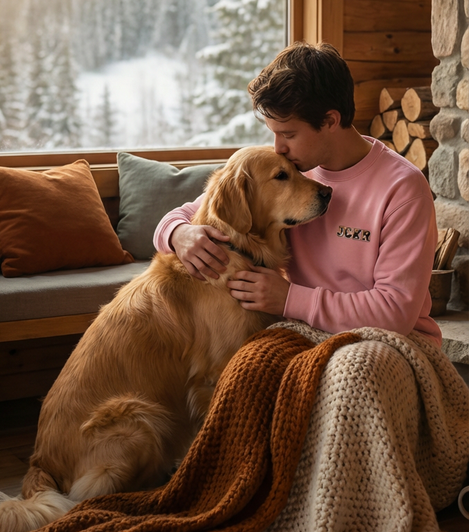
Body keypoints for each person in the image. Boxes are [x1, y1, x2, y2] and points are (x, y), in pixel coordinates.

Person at [153, 41, 442, 346]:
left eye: (288, 134)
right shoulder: (290, 167)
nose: (278, 147)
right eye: (273, 133)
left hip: (393, 341)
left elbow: (395, 313)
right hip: (304, 329)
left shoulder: (403, 189)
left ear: (330, 121)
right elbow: (194, 213)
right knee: (246, 367)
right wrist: (177, 234)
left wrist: (290, 299)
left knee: (354, 369)